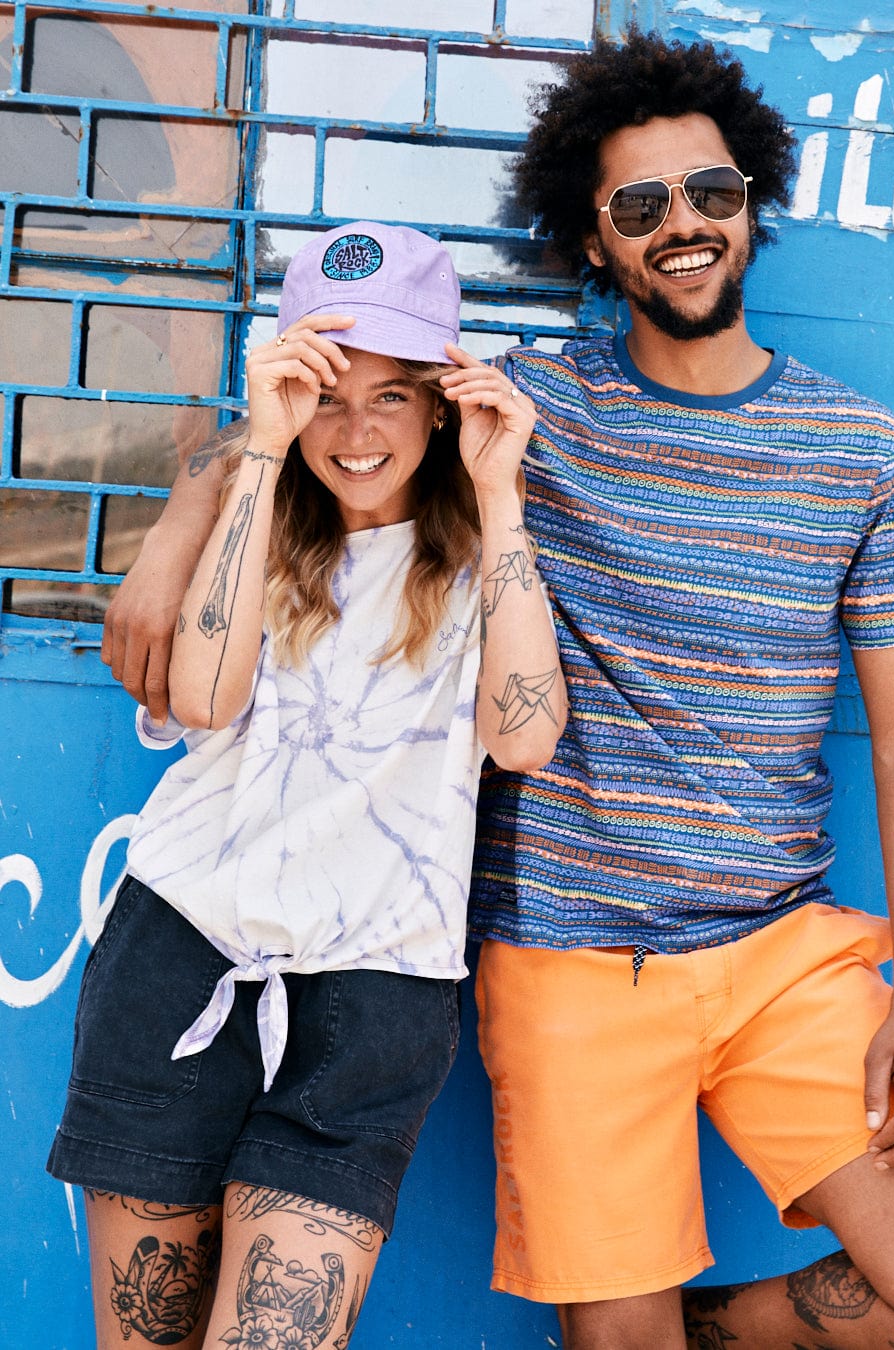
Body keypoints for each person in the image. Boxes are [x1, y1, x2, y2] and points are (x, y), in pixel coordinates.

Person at [98, 31, 894, 1350]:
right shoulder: (520, 412)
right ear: (591, 241)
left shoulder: (865, 451)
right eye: (641, 206)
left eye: (712, 193)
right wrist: (187, 506)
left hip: (782, 952)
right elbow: (350, 408)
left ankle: (685, 1323)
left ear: (752, 205)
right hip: (567, 957)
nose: (685, 226)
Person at [46, 220, 566, 1350]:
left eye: (391, 394)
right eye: (327, 391)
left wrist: (503, 491)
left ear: (440, 401)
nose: (358, 429)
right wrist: (259, 457)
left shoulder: (490, 560)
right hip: (179, 959)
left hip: (374, 1002)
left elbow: (525, 739)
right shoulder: (255, 520)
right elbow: (207, 697)